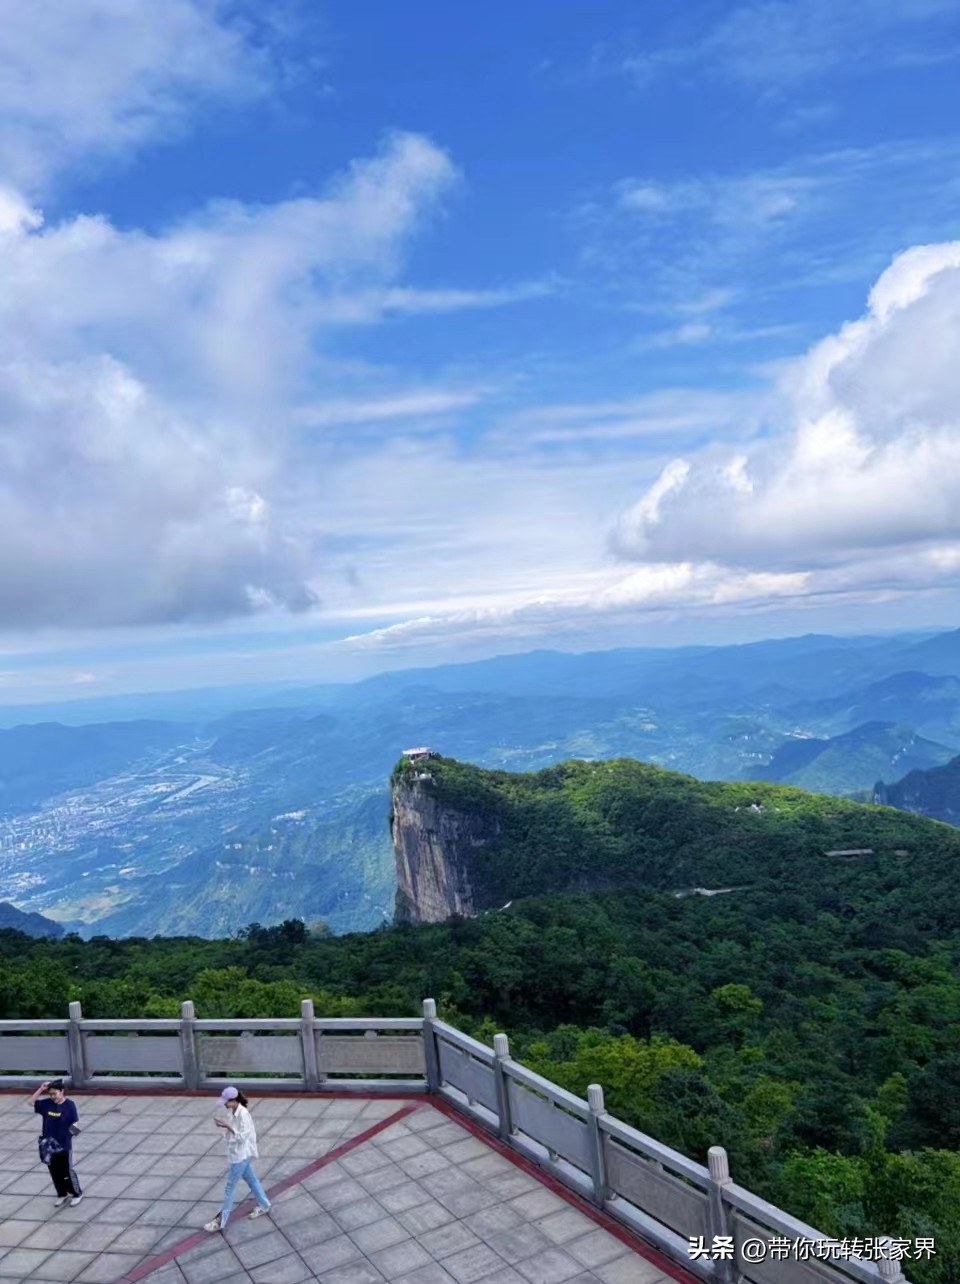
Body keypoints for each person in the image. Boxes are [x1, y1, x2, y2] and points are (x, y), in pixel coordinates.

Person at [204, 1086, 271, 1233]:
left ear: (234, 1101)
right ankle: (265, 1205)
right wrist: (225, 1126)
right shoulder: (232, 1112)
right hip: (238, 1154)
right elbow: (231, 1136)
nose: (225, 1105)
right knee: (252, 1180)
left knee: (230, 1189)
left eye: (226, 1102)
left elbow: (242, 1137)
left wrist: (228, 1126)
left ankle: (220, 1221)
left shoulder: (244, 1115)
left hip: (241, 1156)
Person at [28, 1079, 82, 1207]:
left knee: (67, 1171)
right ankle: (62, 1194)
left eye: (55, 1094)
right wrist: (41, 1089)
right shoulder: (46, 1104)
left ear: (62, 1091)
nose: (52, 1096)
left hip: (63, 1145)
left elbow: (75, 1123)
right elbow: (31, 1102)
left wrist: (69, 1136)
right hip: (48, 1145)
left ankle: (76, 1193)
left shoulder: (69, 1105)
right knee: (54, 1171)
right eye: (50, 1094)